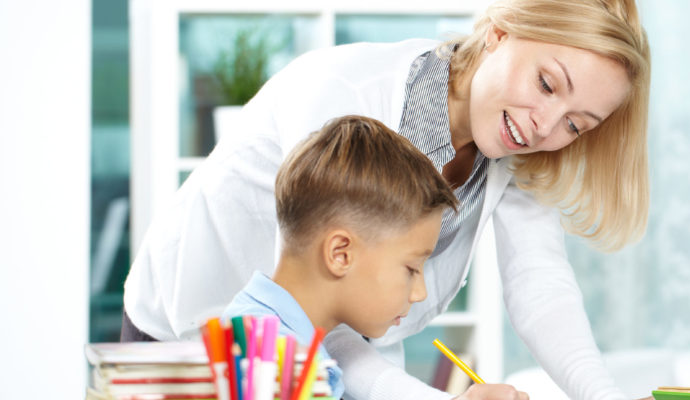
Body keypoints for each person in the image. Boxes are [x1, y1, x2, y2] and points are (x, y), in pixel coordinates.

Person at [122, 0, 651, 398]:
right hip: (195, 336)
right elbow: (323, 297)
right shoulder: (344, 96)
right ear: (498, 32)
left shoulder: (514, 139)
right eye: (545, 83)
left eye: (576, 125)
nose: (544, 125)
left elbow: (542, 289)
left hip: (322, 361)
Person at [221, 115, 526, 400]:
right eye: (411, 268)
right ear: (341, 254)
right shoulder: (269, 362)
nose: (420, 293)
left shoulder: (274, 339)